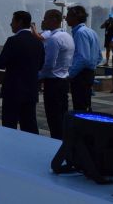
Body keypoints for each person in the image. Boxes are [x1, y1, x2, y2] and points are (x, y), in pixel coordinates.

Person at [0, 11, 45, 134]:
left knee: (9, 124)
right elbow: (40, 65)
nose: (10, 24)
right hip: (31, 90)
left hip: (13, 90)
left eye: (12, 21)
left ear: (20, 22)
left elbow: (1, 63)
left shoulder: (13, 40)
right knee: (29, 124)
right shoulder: (38, 42)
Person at [38, 9, 74, 139]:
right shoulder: (67, 36)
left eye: (46, 18)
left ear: (54, 20)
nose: (43, 21)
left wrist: (37, 77)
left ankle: (56, 145)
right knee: (61, 116)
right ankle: (64, 145)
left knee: (54, 119)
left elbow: (49, 65)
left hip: (53, 83)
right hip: (63, 81)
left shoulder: (54, 39)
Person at [66, 5, 102, 112]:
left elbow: (82, 58)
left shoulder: (80, 33)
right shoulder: (91, 31)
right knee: (86, 104)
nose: (66, 18)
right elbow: (99, 56)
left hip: (81, 75)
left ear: (75, 18)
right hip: (88, 74)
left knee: (80, 106)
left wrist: (70, 74)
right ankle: (87, 126)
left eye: (68, 16)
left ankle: (82, 128)